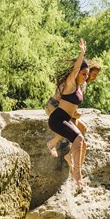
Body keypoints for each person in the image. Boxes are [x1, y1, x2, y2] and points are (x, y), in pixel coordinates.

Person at [47, 38, 89, 188]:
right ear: (77, 74)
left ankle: (72, 162)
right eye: (84, 74)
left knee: (82, 142)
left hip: (66, 119)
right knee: (78, 138)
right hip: (57, 119)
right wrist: (82, 54)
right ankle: (77, 175)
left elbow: (72, 106)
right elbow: (76, 69)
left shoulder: (79, 88)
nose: (86, 77)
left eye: (87, 75)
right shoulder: (71, 84)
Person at [45, 59, 101, 163]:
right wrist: (73, 115)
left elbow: (74, 103)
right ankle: (52, 143)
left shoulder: (83, 84)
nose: (94, 77)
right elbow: (65, 100)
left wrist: (75, 113)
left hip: (65, 110)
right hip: (54, 106)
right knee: (70, 124)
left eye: (96, 75)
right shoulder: (72, 81)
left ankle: (71, 153)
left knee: (83, 128)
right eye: (93, 74)